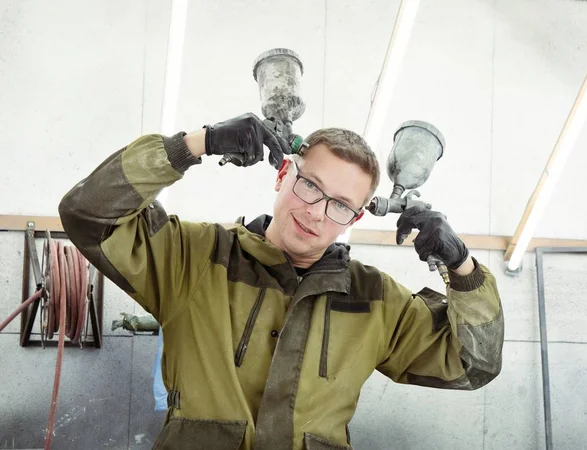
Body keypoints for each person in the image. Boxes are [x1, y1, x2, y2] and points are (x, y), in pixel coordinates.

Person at [59, 113, 504, 450]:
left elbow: (472, 366)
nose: (315, 211)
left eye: (340, 205)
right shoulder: (193, 257)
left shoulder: (376, 300)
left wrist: (463, 268)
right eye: (310, 186)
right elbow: (88, 213)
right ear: (281, 174)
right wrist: (194, 145)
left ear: (354, 217)